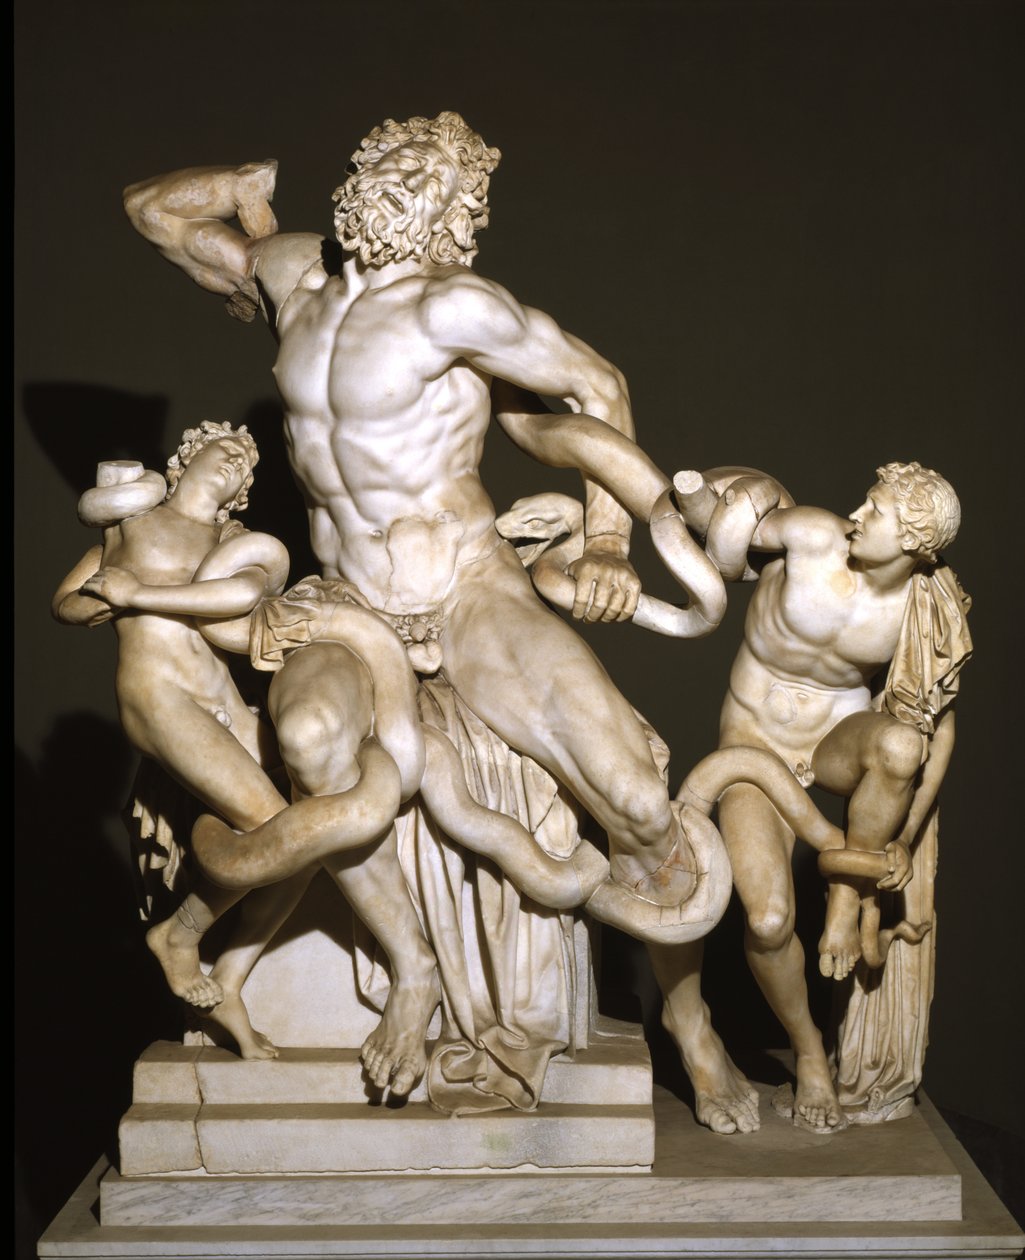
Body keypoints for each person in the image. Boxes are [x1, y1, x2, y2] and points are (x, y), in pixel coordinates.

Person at [123, 114, 722, 954]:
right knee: (308, 741)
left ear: (456, 211)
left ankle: (673, 990)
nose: (404, 178)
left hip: (466, 589)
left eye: (430, 174)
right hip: (347, 601)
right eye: (394, 159)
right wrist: (237, 187)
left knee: (635, 800)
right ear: (358, 174)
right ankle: (407, 967)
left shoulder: (456, 307)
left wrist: (606, 544)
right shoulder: (292, 274)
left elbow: (598, 386)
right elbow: (152, 211)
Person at [53, 422, 432, 1086]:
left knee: (295, 838)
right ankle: (178, 936)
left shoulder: (234, 541)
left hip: (220, 695)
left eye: (244, 466)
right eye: (222, 452)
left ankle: (227, 979)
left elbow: (241, 594)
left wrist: (139, 595)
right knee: (271, 828)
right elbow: (65, 604)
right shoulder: (129, 526)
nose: (234, 464)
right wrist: (99, 604)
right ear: (183, 460)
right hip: (159, 692)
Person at [654, 461, 971, 1134]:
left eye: (876, 512)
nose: (856, 514)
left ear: (914, 541)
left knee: (900, 746)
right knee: (768, 921)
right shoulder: (810, 537)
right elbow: (718, 529)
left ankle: (844, 898)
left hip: (833, 745)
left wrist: (902, 839)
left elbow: (937, 731)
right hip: (752, 744)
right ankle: (807, 1049)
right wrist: (704, 495)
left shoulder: (923, 611)